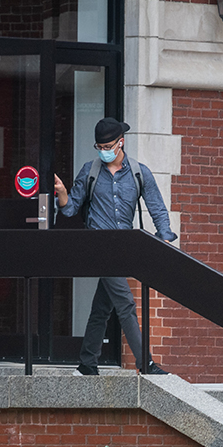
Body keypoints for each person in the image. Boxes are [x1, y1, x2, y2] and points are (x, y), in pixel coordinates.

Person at [55, 117, 177, 377]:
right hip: (98, 246)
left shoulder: (139, 173)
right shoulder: (90, 171)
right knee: (126, 304)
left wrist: (165, 237)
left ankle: (87, 363)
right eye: (99, 147)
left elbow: (157, 208)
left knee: (102, 308)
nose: (103, 151)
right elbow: (71, 209)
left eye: (107, 146)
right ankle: (146, 363)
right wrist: (63, 195)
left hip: (123, 248)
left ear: (121, 142)